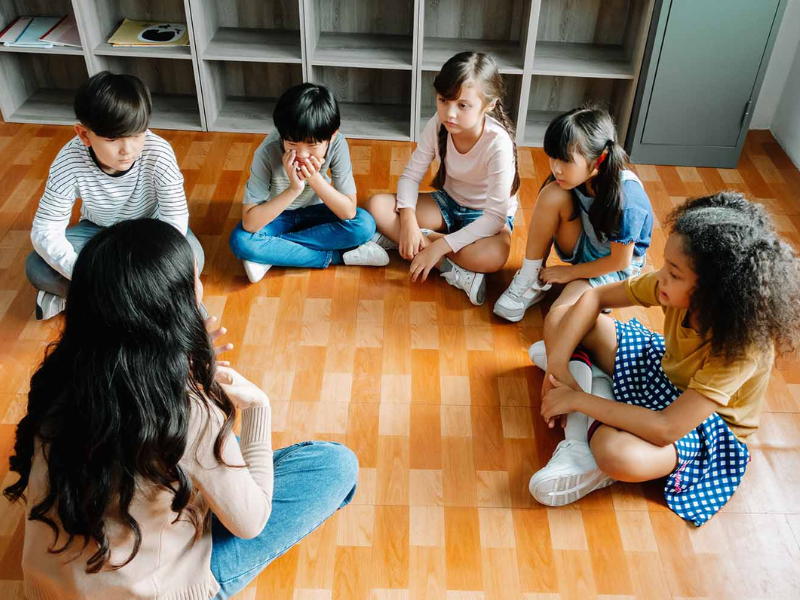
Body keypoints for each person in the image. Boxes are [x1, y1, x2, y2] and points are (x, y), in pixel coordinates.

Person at [5, 219, 359, 598]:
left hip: (51, 591)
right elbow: (251, 522)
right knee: (333, 464)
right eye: (195, 280)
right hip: (157, 592)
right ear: (176, 305)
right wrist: (257, 407)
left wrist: (179, 360)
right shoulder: (190, 412)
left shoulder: (58, 376)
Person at [528, 192, 800, 526]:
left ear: (715, 290)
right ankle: (580, 376)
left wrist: (577, 400)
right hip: (663, 372)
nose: (662, 277)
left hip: (703, 426)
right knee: (563, 318)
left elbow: (666, 428)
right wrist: (555, 369)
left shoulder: (742, 348)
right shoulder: (669, 288)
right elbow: (594, 296)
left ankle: (586, 413)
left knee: (617, 455)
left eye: (674, 272)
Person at [25, 71, 204, 320]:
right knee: (37, 267)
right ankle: (142, 301)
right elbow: (45, 229)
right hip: (99, 232)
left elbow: (174, 220)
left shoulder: (159, 153)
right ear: (84, 134)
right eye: (112, 139)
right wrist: (90, 273)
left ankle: (93, 302)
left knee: (195, 257)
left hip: (152, 234)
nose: (127, 150)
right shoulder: (68, 161)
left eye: (136, 135)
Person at [363, 51, 519, 305]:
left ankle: (419, 244)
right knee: (376, 206)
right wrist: (410, 220)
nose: (449, 113)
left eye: (462, 105)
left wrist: (439, 244)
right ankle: (450, 268)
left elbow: (494, 218)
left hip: (485, 217)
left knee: (495, 256)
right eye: (443, 100)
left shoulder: (497, 144)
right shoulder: (438, 124)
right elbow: (410, 176)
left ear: (489, 105)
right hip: (448, 203)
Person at [494, 106, 653, 322]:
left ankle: (597, 299)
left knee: (560, 315)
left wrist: (570, 273)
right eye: (553, 158)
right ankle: (530, 277)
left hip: (613, 268)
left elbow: (619, 262)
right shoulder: (574, 179)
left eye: (566, 161)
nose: (556, 168)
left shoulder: (629, 200)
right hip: (585, 244)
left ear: (600, 159)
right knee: (552, 194)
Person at [229, 83, 387, 283]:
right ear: (282, 135)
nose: (302, 154)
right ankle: (337, 257)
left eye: (312, 145)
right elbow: (250, 223)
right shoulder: (267, 151)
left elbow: (348, 211)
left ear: (332, 135)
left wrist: (314, 178)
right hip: (276, 216)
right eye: (292, 144)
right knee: (241, 241)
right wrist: (294, 189)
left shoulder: (337, 145)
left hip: (318, 212)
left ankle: (271, 253)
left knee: (364, 224)